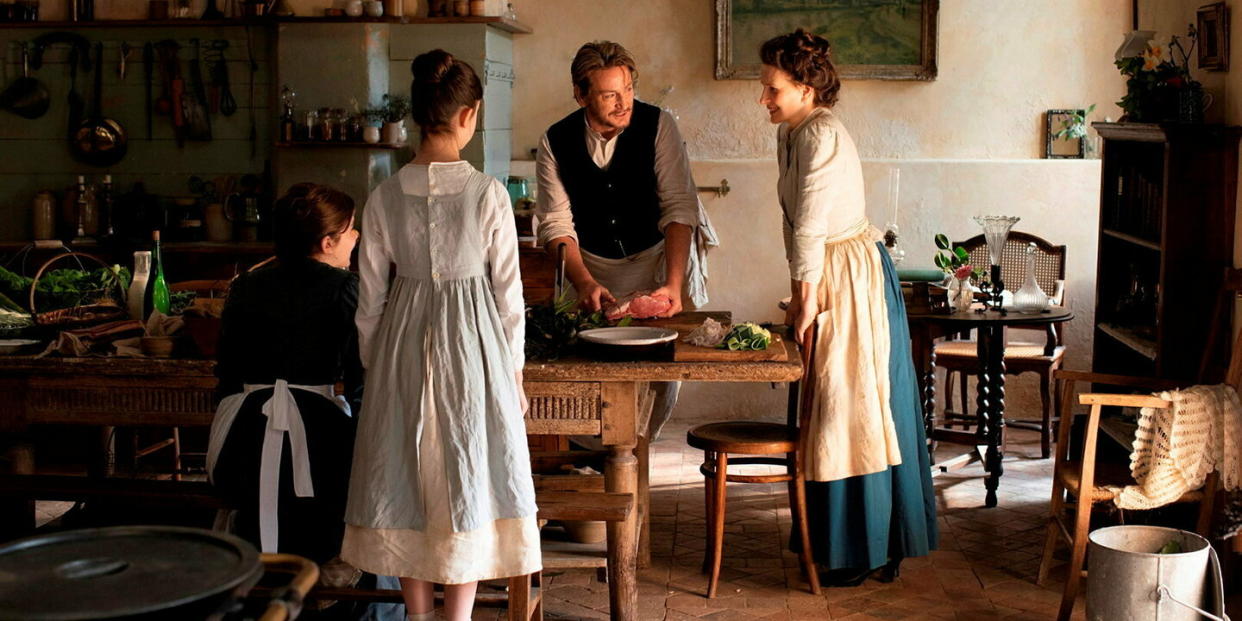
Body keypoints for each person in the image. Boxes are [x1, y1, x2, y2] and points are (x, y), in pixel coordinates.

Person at [342, 50, 540, 621]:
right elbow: (509, 300)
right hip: (474, 347)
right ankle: (456, 616)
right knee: (467, 469)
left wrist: (375, 367)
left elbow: (370, 300)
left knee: (406, 471)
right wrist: (513, 374)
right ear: (469, 115)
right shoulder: (488, 195)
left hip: (401, 341)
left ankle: (417, 614)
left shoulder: (381, 197)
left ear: (418, 116)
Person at [758, 30, 937, 585]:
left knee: (854, 409)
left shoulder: (821, 134)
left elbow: (810, 227)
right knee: (839, 410)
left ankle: (872, 549)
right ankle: (849, 541)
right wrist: (803, 294)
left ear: (807, 88)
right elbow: (800, 229)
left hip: (850, 277)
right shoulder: (794, 131)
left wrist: (806, 302)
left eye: (773, 89)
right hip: (830, 271)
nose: (764, 99)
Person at [535, 40, 717, 441]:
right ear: (580, 95)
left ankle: (634, 459)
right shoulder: (555, 140)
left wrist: (672, 284)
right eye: (609, 94)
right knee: (589, 373)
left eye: (629, 89)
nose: (624, 103)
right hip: (590, 267)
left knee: (654, 377)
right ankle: (601, 465)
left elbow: (678, 207)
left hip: (655, 261)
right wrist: (583, 282)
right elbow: (555, 223)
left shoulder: (659, 125)